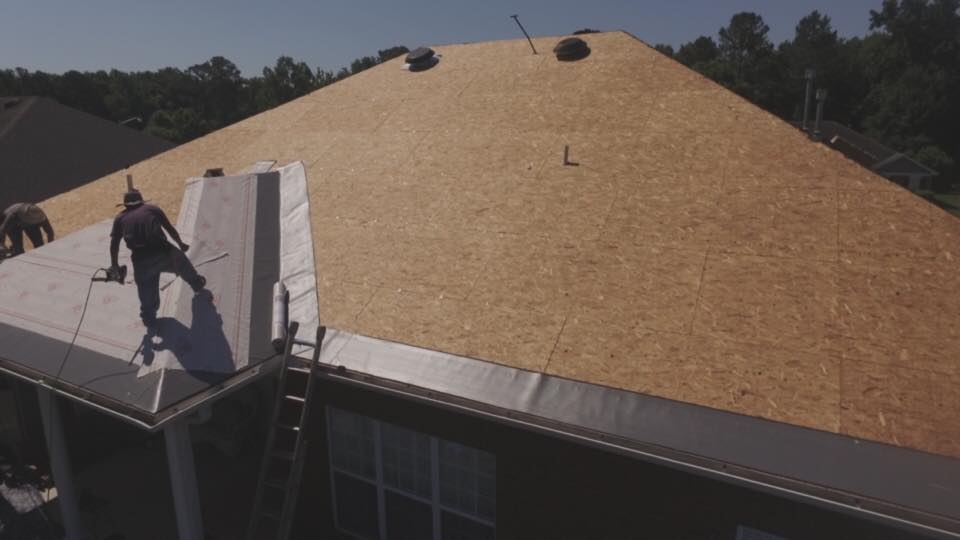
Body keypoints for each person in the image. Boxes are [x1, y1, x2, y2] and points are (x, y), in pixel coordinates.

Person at [109, 190, 206, 327]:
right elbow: (169, 229)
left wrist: (114, 265)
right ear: (142, 200)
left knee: (146, 291)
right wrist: (180, 244)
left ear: (125, 205)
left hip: (141, 260)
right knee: (183, 264)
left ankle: (148, 317)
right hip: (164, 252)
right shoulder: (152, 209)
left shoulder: (119, 218)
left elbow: (114, 245)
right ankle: (197, 284)